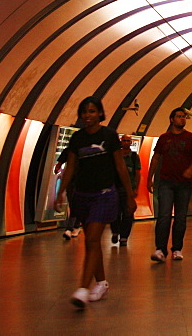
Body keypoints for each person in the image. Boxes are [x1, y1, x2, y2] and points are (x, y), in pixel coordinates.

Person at [55, 96, 137, 309]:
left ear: (100, 113)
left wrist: (129, 196)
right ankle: (101, 282)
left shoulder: (109, 136)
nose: (87, 115)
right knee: (91, 242)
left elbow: (120, 167)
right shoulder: (77, 139)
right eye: (84, 112)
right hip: (82, 195)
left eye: (92, 111)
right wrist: (61, 192)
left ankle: (83, 287)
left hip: (104, 195)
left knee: (92, 239)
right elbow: (71, 167)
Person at [146, 107, 192, 262]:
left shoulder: (191, 138)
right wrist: (149, 178)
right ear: (171, 119)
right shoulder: (164, 138)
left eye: (184, 117)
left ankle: (177, 249)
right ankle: (160, 250)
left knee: (180, 217)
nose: (182, 119)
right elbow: (156, 158)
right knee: (163, 216)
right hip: (166, 182)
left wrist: (191, 169)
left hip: (184, 184)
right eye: (179, 116)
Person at [110, 135, 141, 247]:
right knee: (115, 212)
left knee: (128, 213)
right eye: (124, 141)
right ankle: (115, 231)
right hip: (115, 188)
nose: (126, 143)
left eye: (128, 141)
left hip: (128, 190)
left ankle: (124, 237)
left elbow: (137, 173)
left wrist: (136, 188)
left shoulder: (133, 157)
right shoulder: (116, 156)